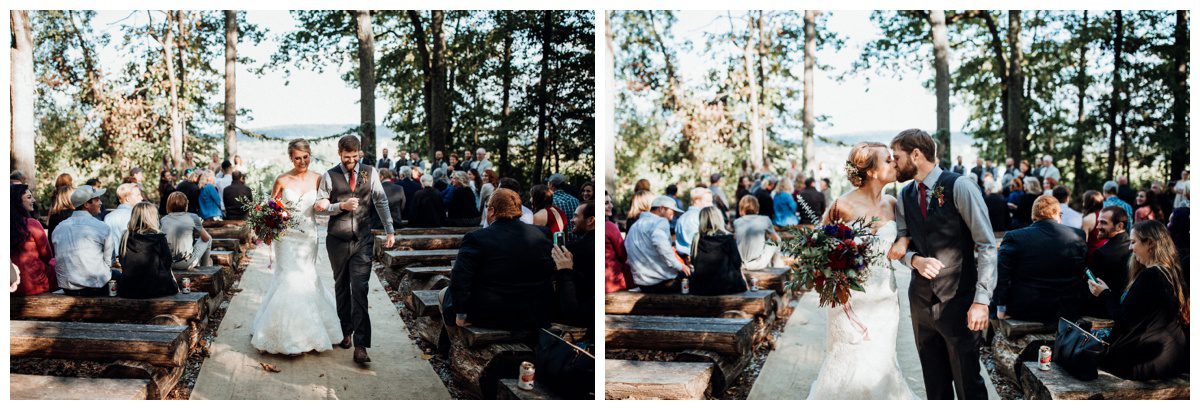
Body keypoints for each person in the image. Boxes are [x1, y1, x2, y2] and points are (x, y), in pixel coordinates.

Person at [808, 141, 916, 400]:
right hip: (850, 297)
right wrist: (832, 279)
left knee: (881, 357)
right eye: (887, 160)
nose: (894, 163)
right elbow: (816, 248)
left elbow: (908, 233)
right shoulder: (841, 205)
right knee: (850, 356)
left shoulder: (893, 203)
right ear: (870, 171)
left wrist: (903, 241)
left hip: (885, 296)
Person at [890, 129, 993, 400]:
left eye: (896, 157)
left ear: (916, 154)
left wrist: (981, 300)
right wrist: (914, 260)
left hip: (960, 300)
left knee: (968, 382)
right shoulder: (905, 195)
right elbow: (901, 244)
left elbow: (986, 245)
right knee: (934, 385)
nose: (893, 163)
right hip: (920, 302)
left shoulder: (960, 186)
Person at [250, 139, 344, 356]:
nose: (302, 161)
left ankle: (310, 333)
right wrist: (272, 220)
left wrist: (329, 208)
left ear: (310, 155)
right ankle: (287, 337)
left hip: (308, 237)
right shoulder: (281, 180)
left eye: (306, 157)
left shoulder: (319, 178)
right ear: (290, 158)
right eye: (297, 158)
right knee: (288, 280)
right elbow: (270, 208)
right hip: (286, 238)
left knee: (307, 278)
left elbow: (322, 208)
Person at [313, 135, 396, 364]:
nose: (350, 161)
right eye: (346, 157)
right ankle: (345, 331)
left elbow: (380, 201)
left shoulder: (370, 172)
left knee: (359, 289)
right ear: (339, 153)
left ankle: (361, 345)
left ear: (359, 152)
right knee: (341, 287)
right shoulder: (330, 175)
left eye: (354, 156)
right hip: (337, 240)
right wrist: (339, 206)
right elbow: (319, 207)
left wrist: (390, 230)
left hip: (363, 240)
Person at [1087, 220, 1189, 381]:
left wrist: (1105, 294)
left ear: (1149, 243)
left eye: (1133, 242)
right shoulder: (1170, 271)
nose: (1130, 248)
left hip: (1146, 361)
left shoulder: (1151, 275)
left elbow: (1124, 320)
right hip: (1172, 357)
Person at [442, 188, 555, 332]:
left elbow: (460, 278)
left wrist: (461, 314)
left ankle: (450, 349)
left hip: (492, 315)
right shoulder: (543, 233)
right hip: (535, 313)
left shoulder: (476, 238)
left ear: (492, 211)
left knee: (446, 295)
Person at [994, 196, 1087, 323]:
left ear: (1034, 216)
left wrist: (1001, 308)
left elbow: (1002, 274)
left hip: (1026, 309)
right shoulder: (1078, 235)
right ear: (1057, 214)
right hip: (1066, 310)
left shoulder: (1015, 237)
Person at [53, 186, 118, 296]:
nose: (101, 203)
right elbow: (109, 262)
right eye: (97, 200)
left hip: (68, 288)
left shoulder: (59, 227)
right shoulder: (102, 227)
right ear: (86, 204)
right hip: (95, 287)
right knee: (119, 276)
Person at [625, 196, 690, 293]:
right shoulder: (660, 222)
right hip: (660, 283)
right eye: (672, 210)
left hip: (642, 283)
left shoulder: (636, 225)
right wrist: (680, 266)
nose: (675, 214)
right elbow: (661, 246)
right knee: (692, 276)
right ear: (662, 208)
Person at [116, 202, 180, 299]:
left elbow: (122, 261)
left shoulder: (125, 236)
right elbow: (168, 262)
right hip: (156, 289)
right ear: (153, 217)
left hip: (129, 289)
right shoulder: (159, 238)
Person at [550, 202, 595, 328]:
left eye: (575, 216)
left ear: (590, 220)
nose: (571, 219)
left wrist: (563, 270)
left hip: (578, 316)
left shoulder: (573, 250)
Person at [1084, 206, 1133, 318]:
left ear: (1119, 226)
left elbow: (1092, 288)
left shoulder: (1102, 253)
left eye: (1103, 223)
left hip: (1105, 311)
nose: (1097, 226)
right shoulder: (1131, 243)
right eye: (1098, 222)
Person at [688, 206, 748, 296]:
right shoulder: (728, 238)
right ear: (719, 219)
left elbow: (693, 261)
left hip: (701, 288)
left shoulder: (696, 239)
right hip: (727, 287)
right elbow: (737, 263)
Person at [11, 185, 57, 296]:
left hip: (11, 284)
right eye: (29, 197)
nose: (33, 200)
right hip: (33, 284)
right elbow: (47, 256)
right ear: (18, 201)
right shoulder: (32, 224)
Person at [161, 192, 213, 271]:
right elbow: (205, 238)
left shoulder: (163, 219)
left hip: (168, 263)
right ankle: (204, 268)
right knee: (209, 238)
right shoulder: (193, 217)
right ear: (186, 205)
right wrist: (199, 224)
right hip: (186, 262)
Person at [734, 196, 782, 270]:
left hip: (741, 264)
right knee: (776, 240)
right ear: (757, 208)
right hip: (758, 263)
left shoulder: (737, 222)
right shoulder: (765, 219)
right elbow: (775, 239)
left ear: (741, 209)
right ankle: (777, 265)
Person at [104, 183, 143, 259]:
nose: (141, 198)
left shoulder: (108, 217)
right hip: (133, 262)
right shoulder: (137, 216)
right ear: (128, 199)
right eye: (138, 195)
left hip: (113, 262)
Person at [604, 193, 632, 293]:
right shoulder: (609, 226)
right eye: (606, 203)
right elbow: (623, 254)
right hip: (612, 281)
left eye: (611, 202)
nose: (611, 205)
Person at [674, 187, 713, 259]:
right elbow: (695, 246)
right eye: (708, 201)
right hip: (694, 261)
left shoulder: (687, 216)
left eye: (711, 201)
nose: (711, 205)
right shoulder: (694, 218)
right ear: (697, 201)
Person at [548, 174, 581, 240]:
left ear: (551, 185)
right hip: (577, 239)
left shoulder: (550, 201)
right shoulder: (575, 200)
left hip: (559, 240)